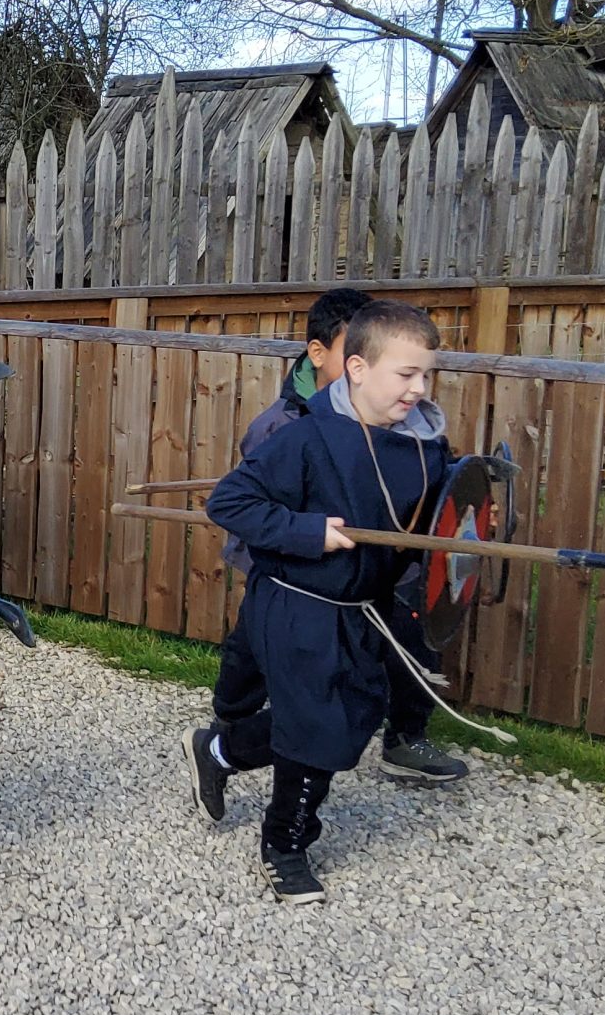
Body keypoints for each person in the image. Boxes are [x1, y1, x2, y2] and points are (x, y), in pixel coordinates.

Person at [196, 300, 458, 903]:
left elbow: (437, 519)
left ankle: (218, 750)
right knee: (316, 725)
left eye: (426, 375)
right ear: (358, 368)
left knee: (351, 719)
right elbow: (229, 502)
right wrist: (307, 531)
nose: (419, 389)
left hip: (363, 606)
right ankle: (285, 846)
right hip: (297, 602)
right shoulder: (306, 438)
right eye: (406, 374)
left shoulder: (425, 447)